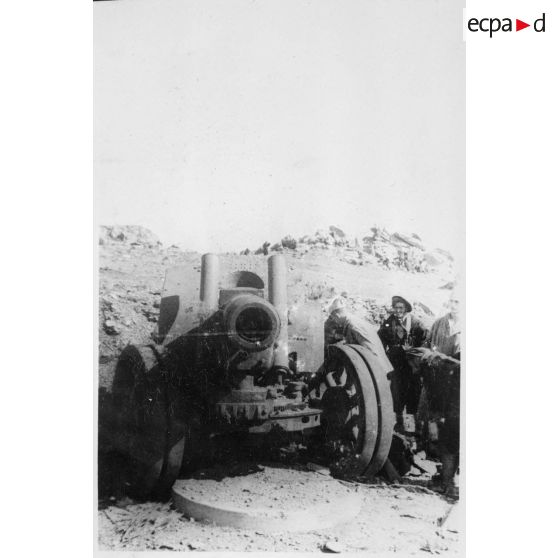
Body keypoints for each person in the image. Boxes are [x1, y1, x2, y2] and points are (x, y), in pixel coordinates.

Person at [421, 292, 461, 497]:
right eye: (452, 301)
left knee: (452, 433)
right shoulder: (439, 324)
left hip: (457, 382)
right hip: (441, 378)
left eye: (459, 302)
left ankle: (450, 479)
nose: (454, 305)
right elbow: (428, 346)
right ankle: (446, 477)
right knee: (440, 426)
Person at [378, 295, 428, 433]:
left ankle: (414, 426)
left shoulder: (416, 323)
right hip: (396, 364)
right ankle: (398, 423)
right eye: (396, 308)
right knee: (397, 392)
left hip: (413, 365)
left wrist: (414, 350)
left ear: (406, 309)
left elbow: (425, 341)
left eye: (401, 308)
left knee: (413, 392)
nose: (398, 311)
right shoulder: (389, 322)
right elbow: (380, 341)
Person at [324, 297, 393, 376]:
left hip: (377, 370)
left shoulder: (353, 326)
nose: (335, 321)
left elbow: (369, 350)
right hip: (382, 368)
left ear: (337, 315)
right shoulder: (355, 321)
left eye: (334, 318)